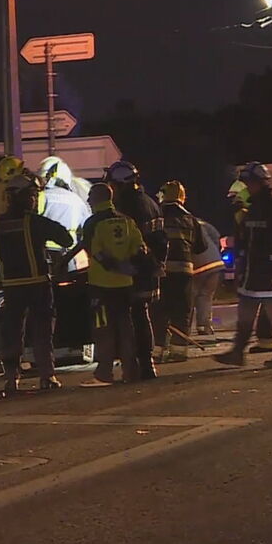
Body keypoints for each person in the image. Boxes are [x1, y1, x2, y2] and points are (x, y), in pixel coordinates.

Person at [0, 173, 73, 393]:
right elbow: (66, 238)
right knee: (43, 331)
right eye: (32, 195)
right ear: (24, 197)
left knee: (13, 332)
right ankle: (47, 376)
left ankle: (11, 379)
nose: (35, 200)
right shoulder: (34, 222)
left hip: (11, 287)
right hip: (38, 285)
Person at [215, 162, 272, 368]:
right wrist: (239, 268)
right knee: (244, 313)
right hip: (253, 274)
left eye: (249, 183)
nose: (247, 187)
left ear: (260, 183)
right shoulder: (252, 209)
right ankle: (238, 351)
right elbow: (245, 241)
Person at [103, 160, 167, 380]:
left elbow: (129, 242)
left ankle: (133, 366)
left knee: (129, 318)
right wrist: (157, 264)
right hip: (149, 270)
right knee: (142, 315)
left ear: (120, 184)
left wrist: (123, 265)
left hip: (132, 271)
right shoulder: (151, 203)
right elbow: (161, 240)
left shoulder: (127, 209)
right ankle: (146, 364)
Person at [79, 183, 145, 387]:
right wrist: (127, 268)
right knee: (126, 327)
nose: (88, 200)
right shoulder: (126, 220)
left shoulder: (92, 223)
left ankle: (104, 373)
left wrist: (112, 266)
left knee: (103, 328)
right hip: (125, 284)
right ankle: (130, 371)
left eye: (91, 196)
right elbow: (140, 249)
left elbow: (93, 252)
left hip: (101, 285)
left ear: (98, 198)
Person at [151, 181, 206, 363]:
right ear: (182, 197)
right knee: (182, 310)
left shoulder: (156, 216)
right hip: (184, 272)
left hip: (160, 272)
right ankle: (179, 351)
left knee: (159, 311)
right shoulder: (190, 219)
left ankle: (157, 351)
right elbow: (200, 247)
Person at [228, 178, 272, 354]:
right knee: (260, 304)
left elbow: (245, 241)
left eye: (236, 197)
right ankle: (256, 342)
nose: (233, 201)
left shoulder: (249, 213)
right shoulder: (254, 211)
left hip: (256, 267)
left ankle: (260, 342)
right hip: (253, 266)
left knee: (258, 304)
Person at [36, 156, 92, 269]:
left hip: (44, 254)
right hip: (69, 255)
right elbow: (87, 230)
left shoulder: (40, 197)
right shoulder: (77, 200)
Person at [191, 217, 225, 341]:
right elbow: (216, 236)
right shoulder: (203, 223)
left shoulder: (179, 223)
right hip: (215, 263)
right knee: (206, 296)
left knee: (190, 297)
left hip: (196, 265)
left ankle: (184, 329)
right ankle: (204, 326)